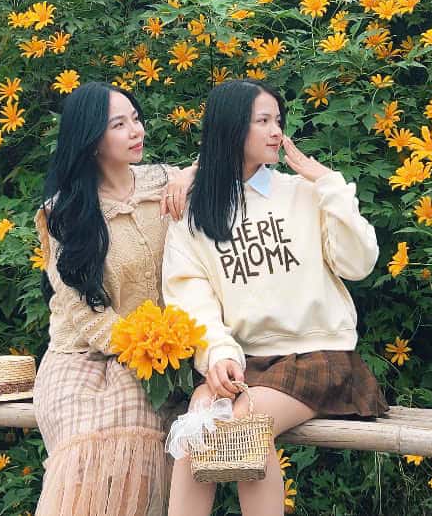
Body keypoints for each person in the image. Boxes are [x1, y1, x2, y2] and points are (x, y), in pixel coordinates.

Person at [162, 80, 387, 516]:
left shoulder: (304, 193)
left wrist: (331, 185)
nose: (276, 132)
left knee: (239, 421)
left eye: (277, 121)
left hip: (319, 355)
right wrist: (218, 354)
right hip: (249, 362)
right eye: (262, 121)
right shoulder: (197, 211)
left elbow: (359, 264)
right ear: (231, 129)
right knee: (198, 424)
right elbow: (190, 297)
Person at [34, 81, 195, 516]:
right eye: (119, 125)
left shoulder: (163, 182)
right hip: (80, 358)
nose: (135, 131)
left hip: (157, 358)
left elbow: (219, 168)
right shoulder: (62, 211)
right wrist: (141, 347)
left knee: (137, 432)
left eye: (136, 120)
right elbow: (83, 314)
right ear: (90, 140)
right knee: (88, 441)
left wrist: (188, 175)